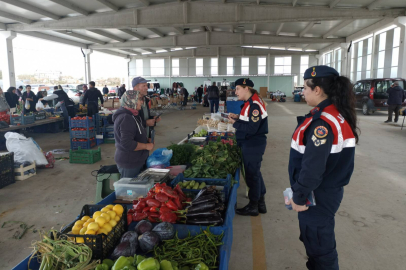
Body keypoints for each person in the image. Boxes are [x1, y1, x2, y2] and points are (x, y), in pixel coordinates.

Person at [287, 66, 359, 270]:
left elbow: (312, 167)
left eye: (305, 87)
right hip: (326, 190)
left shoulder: (323, 123)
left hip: (318, 194)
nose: (302, 91)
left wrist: (299, 196)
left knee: (320, 244)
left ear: (317, 89)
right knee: (315, 240)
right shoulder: (332, 113)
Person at [227, 78, 268, 216]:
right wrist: (238, 117)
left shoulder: (254, 105)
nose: (235, 92)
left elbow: (252, 128)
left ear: (246, 88)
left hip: (252, 143)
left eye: (238, 88)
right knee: (255, 172)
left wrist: (235, 123)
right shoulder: (251, 102)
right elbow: (250, 120)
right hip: (252, 142)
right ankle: (260, 203)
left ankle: (253, 206)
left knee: (252, 175)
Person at [113, 90, 154, 178]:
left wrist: (145, 140)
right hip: (129, 162)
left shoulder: (133, 115)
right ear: (131, 101)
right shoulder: (126, 118)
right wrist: (146, 146)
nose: (142, 102)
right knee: (129, 190)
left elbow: (134, 134)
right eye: (139, 99)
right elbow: (126, 143)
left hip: (136, 160)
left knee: (136, 189)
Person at [132, 77, 161, 142]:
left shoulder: (146, 100)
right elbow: (129, 123)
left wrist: (153, 118)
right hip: (136, 141)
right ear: (135, 89)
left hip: (146, 136)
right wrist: (146, 123)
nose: (147, 88)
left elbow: (144, 116)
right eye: (144, 86)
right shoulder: (130, 104)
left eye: (146, 85)